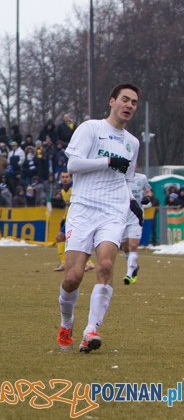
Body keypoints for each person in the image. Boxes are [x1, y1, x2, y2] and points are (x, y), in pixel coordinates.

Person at [56, 83, 141, 354]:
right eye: (125, 100)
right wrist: (107, 162)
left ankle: (91, 329)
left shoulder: (133, 143)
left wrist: (133, 203)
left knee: (105, 264)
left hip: (113, 210)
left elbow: (126, 179)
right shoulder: (91, 128)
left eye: (134, 102)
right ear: (112, 101)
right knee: (73, 276)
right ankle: (66, 322)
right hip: (83, 208)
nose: (129, 105)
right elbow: (74, 165)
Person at [121, 172, 151, 284]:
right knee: (125, 247)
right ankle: (134, 266)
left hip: (136, 216)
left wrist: (147, 197)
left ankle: (129, 273)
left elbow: (148, 190)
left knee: (133, 245)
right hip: (122, 216)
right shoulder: (120, 177)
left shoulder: (142, 178)